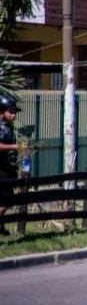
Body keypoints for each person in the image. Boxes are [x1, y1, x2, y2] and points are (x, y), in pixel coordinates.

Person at [0, 94, 20, 235]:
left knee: (6, 200)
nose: (13, 115)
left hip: (7, 168)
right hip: (2, 170)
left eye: (14, 112)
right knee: (6, 200)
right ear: (2, 112)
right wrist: (15, 147)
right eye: (10, 112)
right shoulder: (1, 127)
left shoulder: (8, 126)